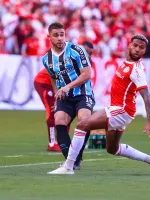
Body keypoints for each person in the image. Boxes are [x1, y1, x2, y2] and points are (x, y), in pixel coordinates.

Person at [48, 34, 150, 175]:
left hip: (121, 110)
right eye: (135, 46)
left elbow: (146, 95)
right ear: (129, 45)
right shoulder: (127, 63)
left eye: (141, 48)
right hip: (122, 111)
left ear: (144, 51)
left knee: (82, 125)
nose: (137, 50)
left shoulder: (136, 69)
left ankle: (68, 166)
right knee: (112, 148)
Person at [42, 22, 95, 171]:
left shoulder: (77, 50)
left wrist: (67, 86)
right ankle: (72, 161)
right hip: (65, 97)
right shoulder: (47, 59)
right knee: (59, 122)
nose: (60, 38)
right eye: (56, 35)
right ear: (49, 37)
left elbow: (87, 74)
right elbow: (53, 77)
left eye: (62, 34)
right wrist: (56, 94)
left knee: (84, 120)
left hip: (83, 93)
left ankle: (77, 157)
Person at [34, 41, 94, 156]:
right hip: (44, 83)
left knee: (67, 114)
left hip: (63, 88)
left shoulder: (82, 60)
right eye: (87, 52)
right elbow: (53, 77)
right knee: (53, 111)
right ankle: (53, 142)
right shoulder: (70, 56)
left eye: (90, 53)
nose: (89, 55)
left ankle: (64, 142)